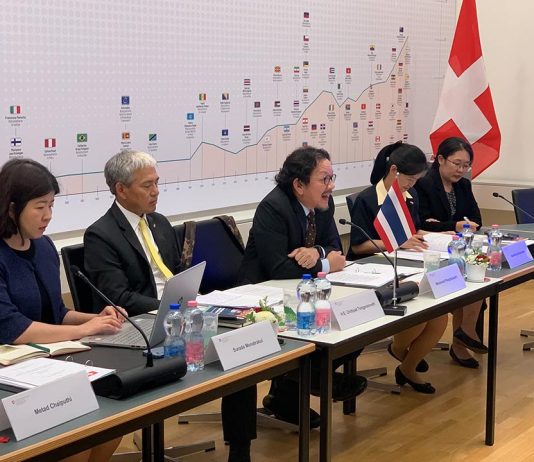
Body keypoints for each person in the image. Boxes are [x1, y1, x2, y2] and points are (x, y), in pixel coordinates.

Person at [84, 150, 254, 462]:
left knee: (237, 351)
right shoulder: (101, 234)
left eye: (157, 183)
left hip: (178, 314)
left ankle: (240, 450)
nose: (156, 191)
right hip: (142, 325)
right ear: (121, 189)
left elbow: (176, 274)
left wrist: (188, 302)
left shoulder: (159, 223)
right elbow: (118, 297)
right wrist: (172, 307)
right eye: (146, 185)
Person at [0, 158, 123, 462]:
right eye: (40, 207)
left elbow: (55, 312)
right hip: (10, 370)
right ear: (12, 208)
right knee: (76, 439)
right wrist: (83, 329)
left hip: (49, 363)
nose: (48, 215)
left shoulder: (43, 247)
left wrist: (97, 318)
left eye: (52, 205)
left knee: (114, 420)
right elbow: (13, 328)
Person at [239, 146, 367, 426]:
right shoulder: (273, 207)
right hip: (265, 296)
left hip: (303, 291)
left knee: (359, 322)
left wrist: (316, 252)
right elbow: (278, 268)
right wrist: (325, 263)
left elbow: (334, 247)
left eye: (332, 178)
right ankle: (307, 380)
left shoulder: (322, 204)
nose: (331, 186)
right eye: (324, 179)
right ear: (299, 185)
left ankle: (299, 383)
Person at [349, 141, 448, 393]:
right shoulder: (367, 199)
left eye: (416, 180)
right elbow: (358, 246)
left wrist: (438, 235)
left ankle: (407, 367)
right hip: (371, 270)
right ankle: (400, 350)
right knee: (418, 311)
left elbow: (412, 231)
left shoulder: (410, 197)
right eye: (410, 179)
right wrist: (397, 242)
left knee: (439, 316)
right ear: (394, 170)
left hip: (406, 264)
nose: (412, 185)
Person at [415, 137, 487, 368]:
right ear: (440, 159)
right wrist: (454, 225)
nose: (461, 170)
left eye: (466, 165)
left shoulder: (463, 185)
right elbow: (420, 224)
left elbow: (476, 220)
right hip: (429, 252)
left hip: (457, 249)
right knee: (462, 279)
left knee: (476, 275)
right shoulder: (423, 184)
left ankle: (462, 338)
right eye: (457, 164)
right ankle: (461, 338)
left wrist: (447, 225)